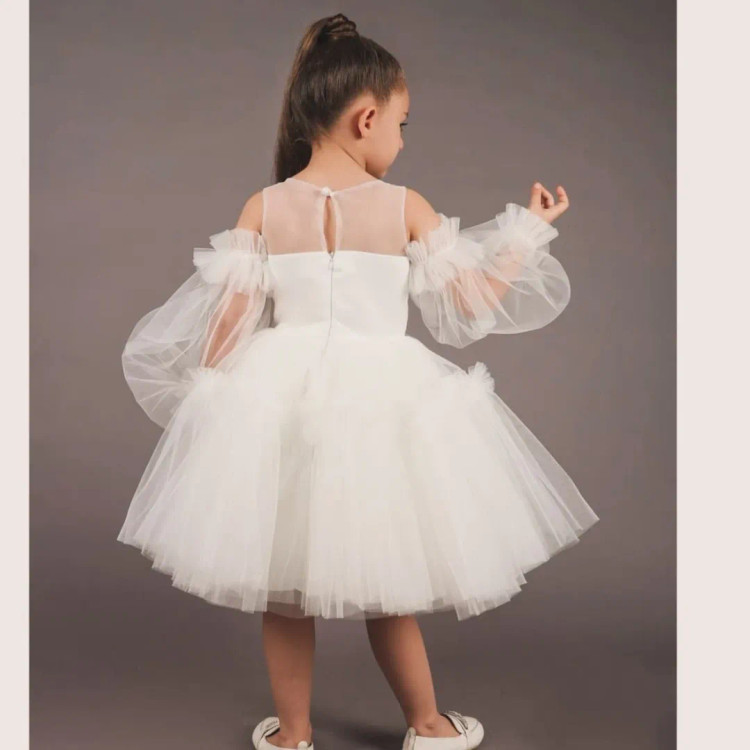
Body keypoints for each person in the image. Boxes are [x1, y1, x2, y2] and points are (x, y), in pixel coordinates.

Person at [117, 13, 599, 750]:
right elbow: (470, 308)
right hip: (382, 402)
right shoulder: (404, 206)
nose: (402, 140)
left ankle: (293, 737)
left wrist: (210, 402)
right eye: (401, 124)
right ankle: (429, 727)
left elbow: (230, 324)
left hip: (282, 402)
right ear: (366, 119)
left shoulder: (265, 207)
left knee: (281, 588)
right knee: (388, 580)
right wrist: (527, 232)